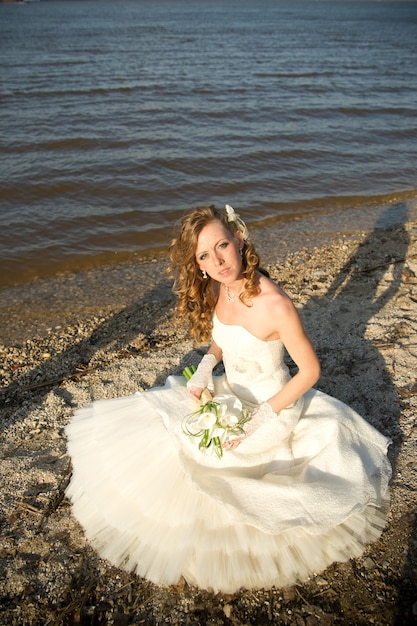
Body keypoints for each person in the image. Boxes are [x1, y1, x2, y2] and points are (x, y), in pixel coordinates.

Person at [65, 204, 391, 593]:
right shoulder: (225, 286)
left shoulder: (276, 305)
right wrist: (206, 366)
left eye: (222, 245)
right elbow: (224, 336)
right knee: (164, 421)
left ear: (239, 239)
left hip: (272, 405)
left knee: (213, 458)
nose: (217, 260)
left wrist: (262, 417)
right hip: (230, 391)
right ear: (198, 264)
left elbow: (310, 372)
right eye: (205, 255)